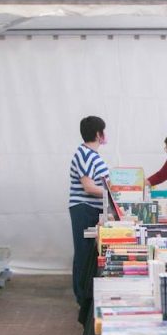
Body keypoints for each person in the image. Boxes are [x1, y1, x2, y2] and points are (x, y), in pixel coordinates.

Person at [69, 116, 110, 302]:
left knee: (88, 253)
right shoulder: (85, 154)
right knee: (83, 253)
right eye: (103, 131)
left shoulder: (91, 155)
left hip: (90, 208)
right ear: (97, 134)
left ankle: (85, 295)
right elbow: (89, 186)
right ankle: (82, 297)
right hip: (84, 208)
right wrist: (111, 194)